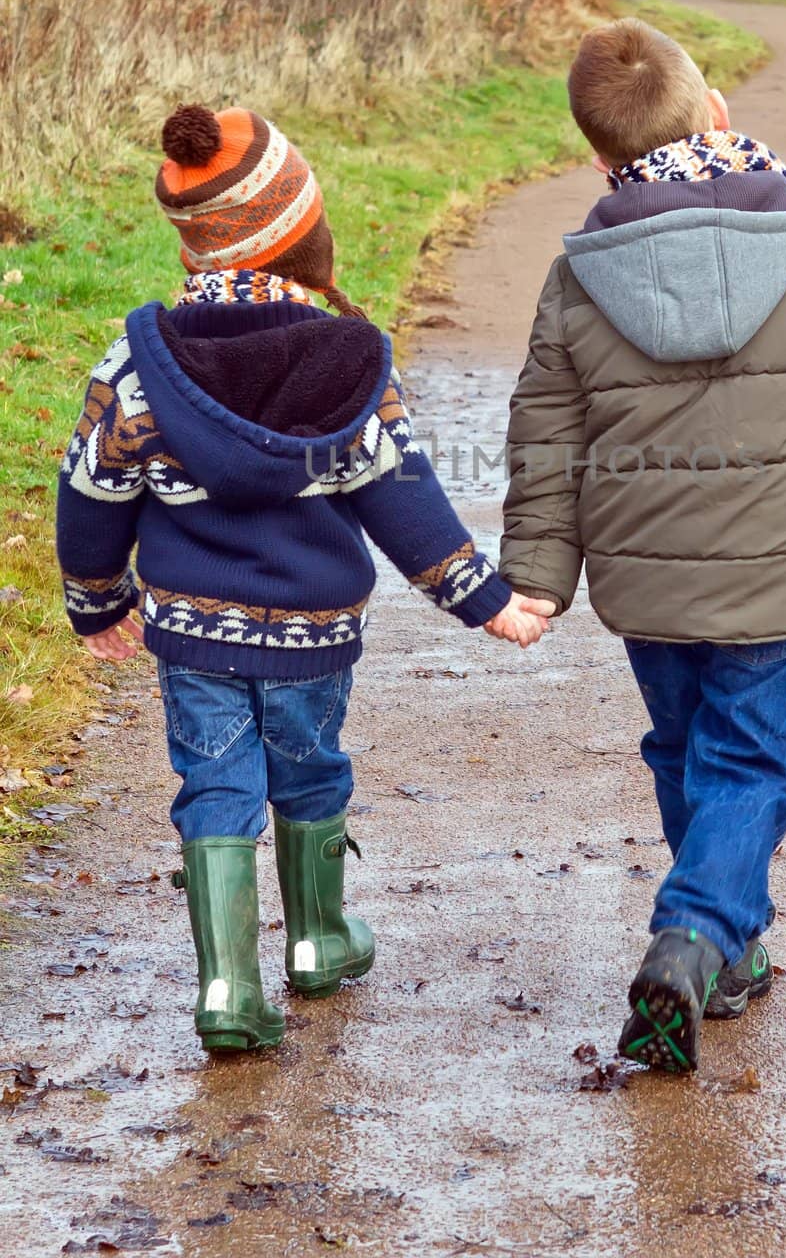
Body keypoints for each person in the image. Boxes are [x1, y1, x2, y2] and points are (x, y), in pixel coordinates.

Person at [57, 103, 552, 1053]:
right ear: (297, 233)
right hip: (313, 634)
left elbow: (90, 488)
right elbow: (404, 500)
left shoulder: (139, 367)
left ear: (196, 247)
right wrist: (482, 599)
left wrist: (96, 598)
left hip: (193, 629)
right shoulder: (351, 368)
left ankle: (226, 987)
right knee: (311, 769)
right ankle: (319, 940)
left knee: (213, 782)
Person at [500, 19, 786, 1072]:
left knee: (686, 750)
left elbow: (544, 437)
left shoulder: (578, 275)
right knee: (747, 766)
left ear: (601, 160)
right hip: (774, 578)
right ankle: (693, 937)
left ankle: (728, 955)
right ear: (719, 116)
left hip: (643, 583)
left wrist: (538, 578)